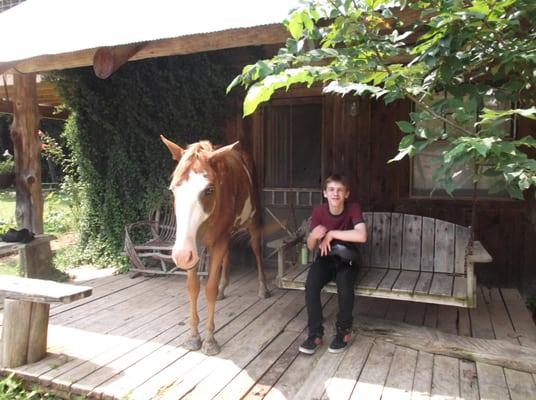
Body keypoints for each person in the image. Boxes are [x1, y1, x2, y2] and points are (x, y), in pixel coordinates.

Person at [299, 174, 367, 354]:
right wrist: (313, 236)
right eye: (331, 190)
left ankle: (343, 331)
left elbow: (361, 236)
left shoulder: (353, 208)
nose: (335, 194)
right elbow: (311, 246)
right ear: (325, 193)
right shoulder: (319, 211)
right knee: (311, 285)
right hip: (325, 258)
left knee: (345, 285)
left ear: (346, 194)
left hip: (348, 260)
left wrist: (332, 234)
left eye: (339, 190)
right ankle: (315, 334)